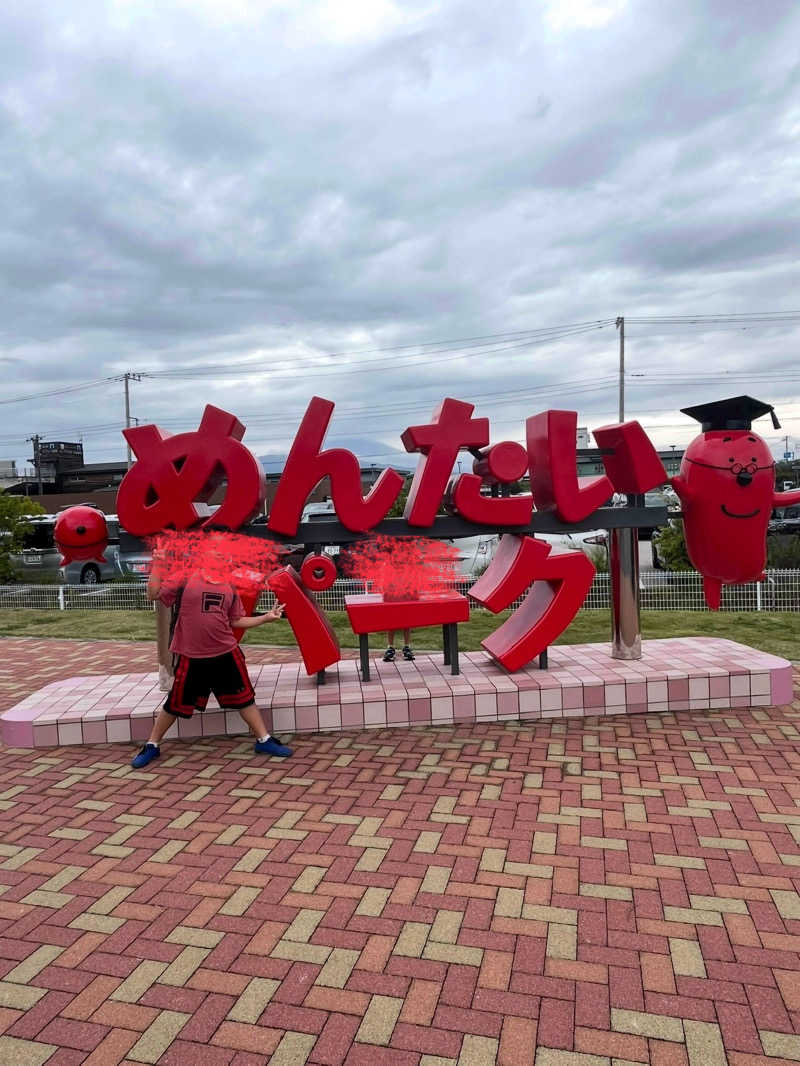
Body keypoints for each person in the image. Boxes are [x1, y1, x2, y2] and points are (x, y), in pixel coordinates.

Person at [131, 564, 292, 769]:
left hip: (226, 654)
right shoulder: (185, 577)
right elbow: (153, 594)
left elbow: (236, 620)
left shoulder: (230, 585)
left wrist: (266, 618)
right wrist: (158, 564)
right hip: (192, 657)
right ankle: (152, 745)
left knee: (245, 699)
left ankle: (264, 740)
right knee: (174, 704)